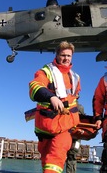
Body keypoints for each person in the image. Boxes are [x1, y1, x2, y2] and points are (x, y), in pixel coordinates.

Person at [29, 41, 81, 173]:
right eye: (63, 55)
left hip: (64, 126)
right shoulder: (45, 72)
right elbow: (35, 87)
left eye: (69, 56)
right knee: (46, 160)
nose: (66, 58)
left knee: (55, 161)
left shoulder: (75, 77)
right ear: (57, 55)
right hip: (46, 126)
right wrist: (51, 97)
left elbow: (75, 99)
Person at [65, 103, 84, 173]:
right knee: (71, 156)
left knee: (73, 156)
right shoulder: (77, 107)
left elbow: (82, 120)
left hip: (76, 137)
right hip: (70, 136)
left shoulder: (79, 107)